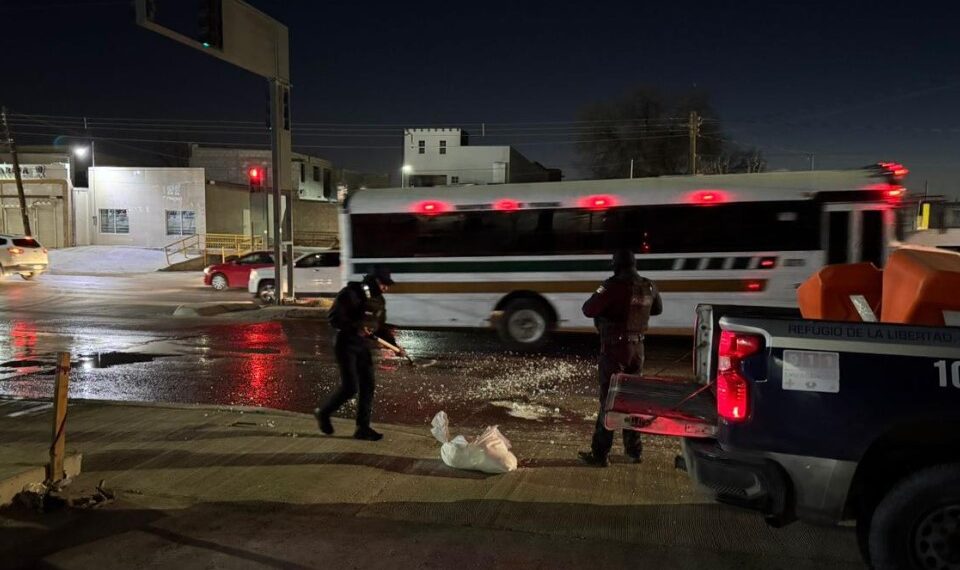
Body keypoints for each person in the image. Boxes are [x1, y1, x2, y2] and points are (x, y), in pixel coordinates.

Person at [578, 249, 663, 467]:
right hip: (638, 350)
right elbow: (657, 309)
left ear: (615, 265)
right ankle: (634, 451)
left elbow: (588, 309)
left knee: (609, 401)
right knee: (632, 400)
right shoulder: (649, 285)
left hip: (615, 351)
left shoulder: (611, 286)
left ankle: (600, 454)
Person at [316, 266, 404, 441]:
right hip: (345, 344)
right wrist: (355, 327)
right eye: (383, 283)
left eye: (388, 285)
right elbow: (334, 318)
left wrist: (395, 346)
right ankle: (323, 413)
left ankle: (362, 428)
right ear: (374, 280)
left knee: (368, 386)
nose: (386, 288)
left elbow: (380, 328)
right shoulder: (351, 293)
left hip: (362, 347)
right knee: (350, 388)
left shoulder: (379, 301)